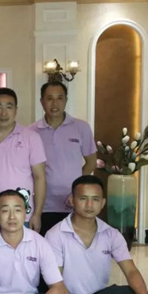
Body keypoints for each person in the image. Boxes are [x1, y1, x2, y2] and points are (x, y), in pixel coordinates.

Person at [0, 88, 47, 240]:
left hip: (21, 216)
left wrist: (37, 214)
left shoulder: (31, 138)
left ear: (16, 110)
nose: (4, 113)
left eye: (9, 107)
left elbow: (40, 177)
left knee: (21, 254)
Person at [30, 81, 97, 235]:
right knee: (45, 246)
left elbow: (91, 162)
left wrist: (77, 190)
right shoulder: (32, 132)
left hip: (73, 204)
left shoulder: (81, 127)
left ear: (66, 100)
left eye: (59, 98)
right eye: (49, 98)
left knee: (73, 246)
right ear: (42, 102)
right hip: (42, 206)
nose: (55, 104)